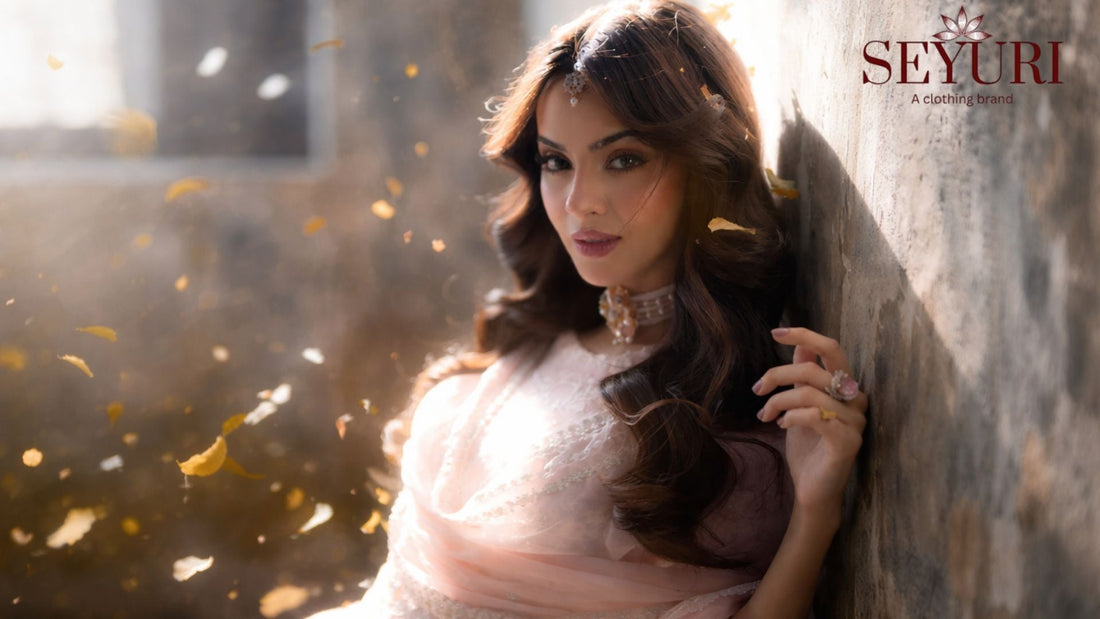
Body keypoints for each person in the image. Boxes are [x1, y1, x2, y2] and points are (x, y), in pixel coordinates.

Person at [310, 1, 868, 616]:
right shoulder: (539, 340)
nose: (579, 202)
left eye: (622, 160)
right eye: (557, 162)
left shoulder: (728, 409)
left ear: (703, 166)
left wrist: (815, 515)